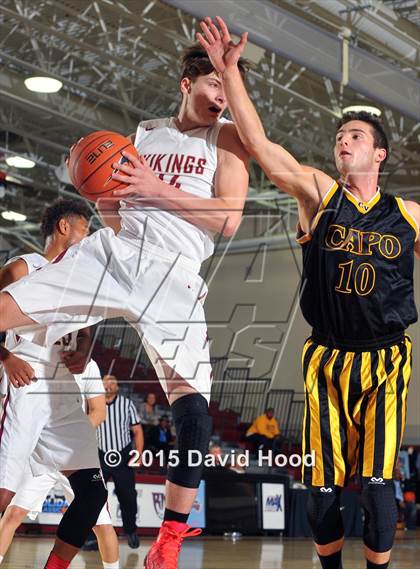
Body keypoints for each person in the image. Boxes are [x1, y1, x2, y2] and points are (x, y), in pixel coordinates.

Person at [0, 41, 250, 568]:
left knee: (195, 416)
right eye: (214, 85)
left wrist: (156, 188)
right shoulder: (144, 133)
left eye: (229, 90)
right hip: (116, 254)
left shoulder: (227, 139)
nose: (221, 98)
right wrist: (102, 194)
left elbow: (228, 219)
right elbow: (115, 212)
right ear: (187, 84)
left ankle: (169, 540)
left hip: (174, 275)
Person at [197, 16, 420, 569]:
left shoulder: (407, 215)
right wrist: (230, 72)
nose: (344, 140)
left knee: (374, 489)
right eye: (341, 135)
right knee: (321, 494)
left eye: (357, 136)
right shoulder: (319, 193)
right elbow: (258, 144)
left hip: (387, 360)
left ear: (379, 155)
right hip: (326, 359)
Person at [0, 199, 108, 569]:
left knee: (93, 493)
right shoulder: (24, 267)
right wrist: (7, 358)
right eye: (85, 229)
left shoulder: (78, 281)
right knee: (3, 496)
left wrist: (84, 349)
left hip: (63, 393)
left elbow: (85, 334)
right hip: (25, 380)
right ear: (64, 227)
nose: (89, 237)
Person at [0, 359, 120, 569]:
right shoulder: (31, 356)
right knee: (12, 513)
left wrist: (72, 439)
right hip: (39, 448)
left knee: (101, 523)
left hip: (73, 450)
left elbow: (99, 411)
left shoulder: (88, 364)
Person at [97, 375, 143, 549]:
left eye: (113, 382)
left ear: (117, 386)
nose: (108, 385)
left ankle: (130, 531)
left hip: (123, 456)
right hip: (99, 455)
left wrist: (138, 454)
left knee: (128, 496)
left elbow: (137, 431)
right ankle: (93, 536)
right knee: (94, 497)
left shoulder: (127, 404)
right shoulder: (94, 403)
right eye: (105, 382)